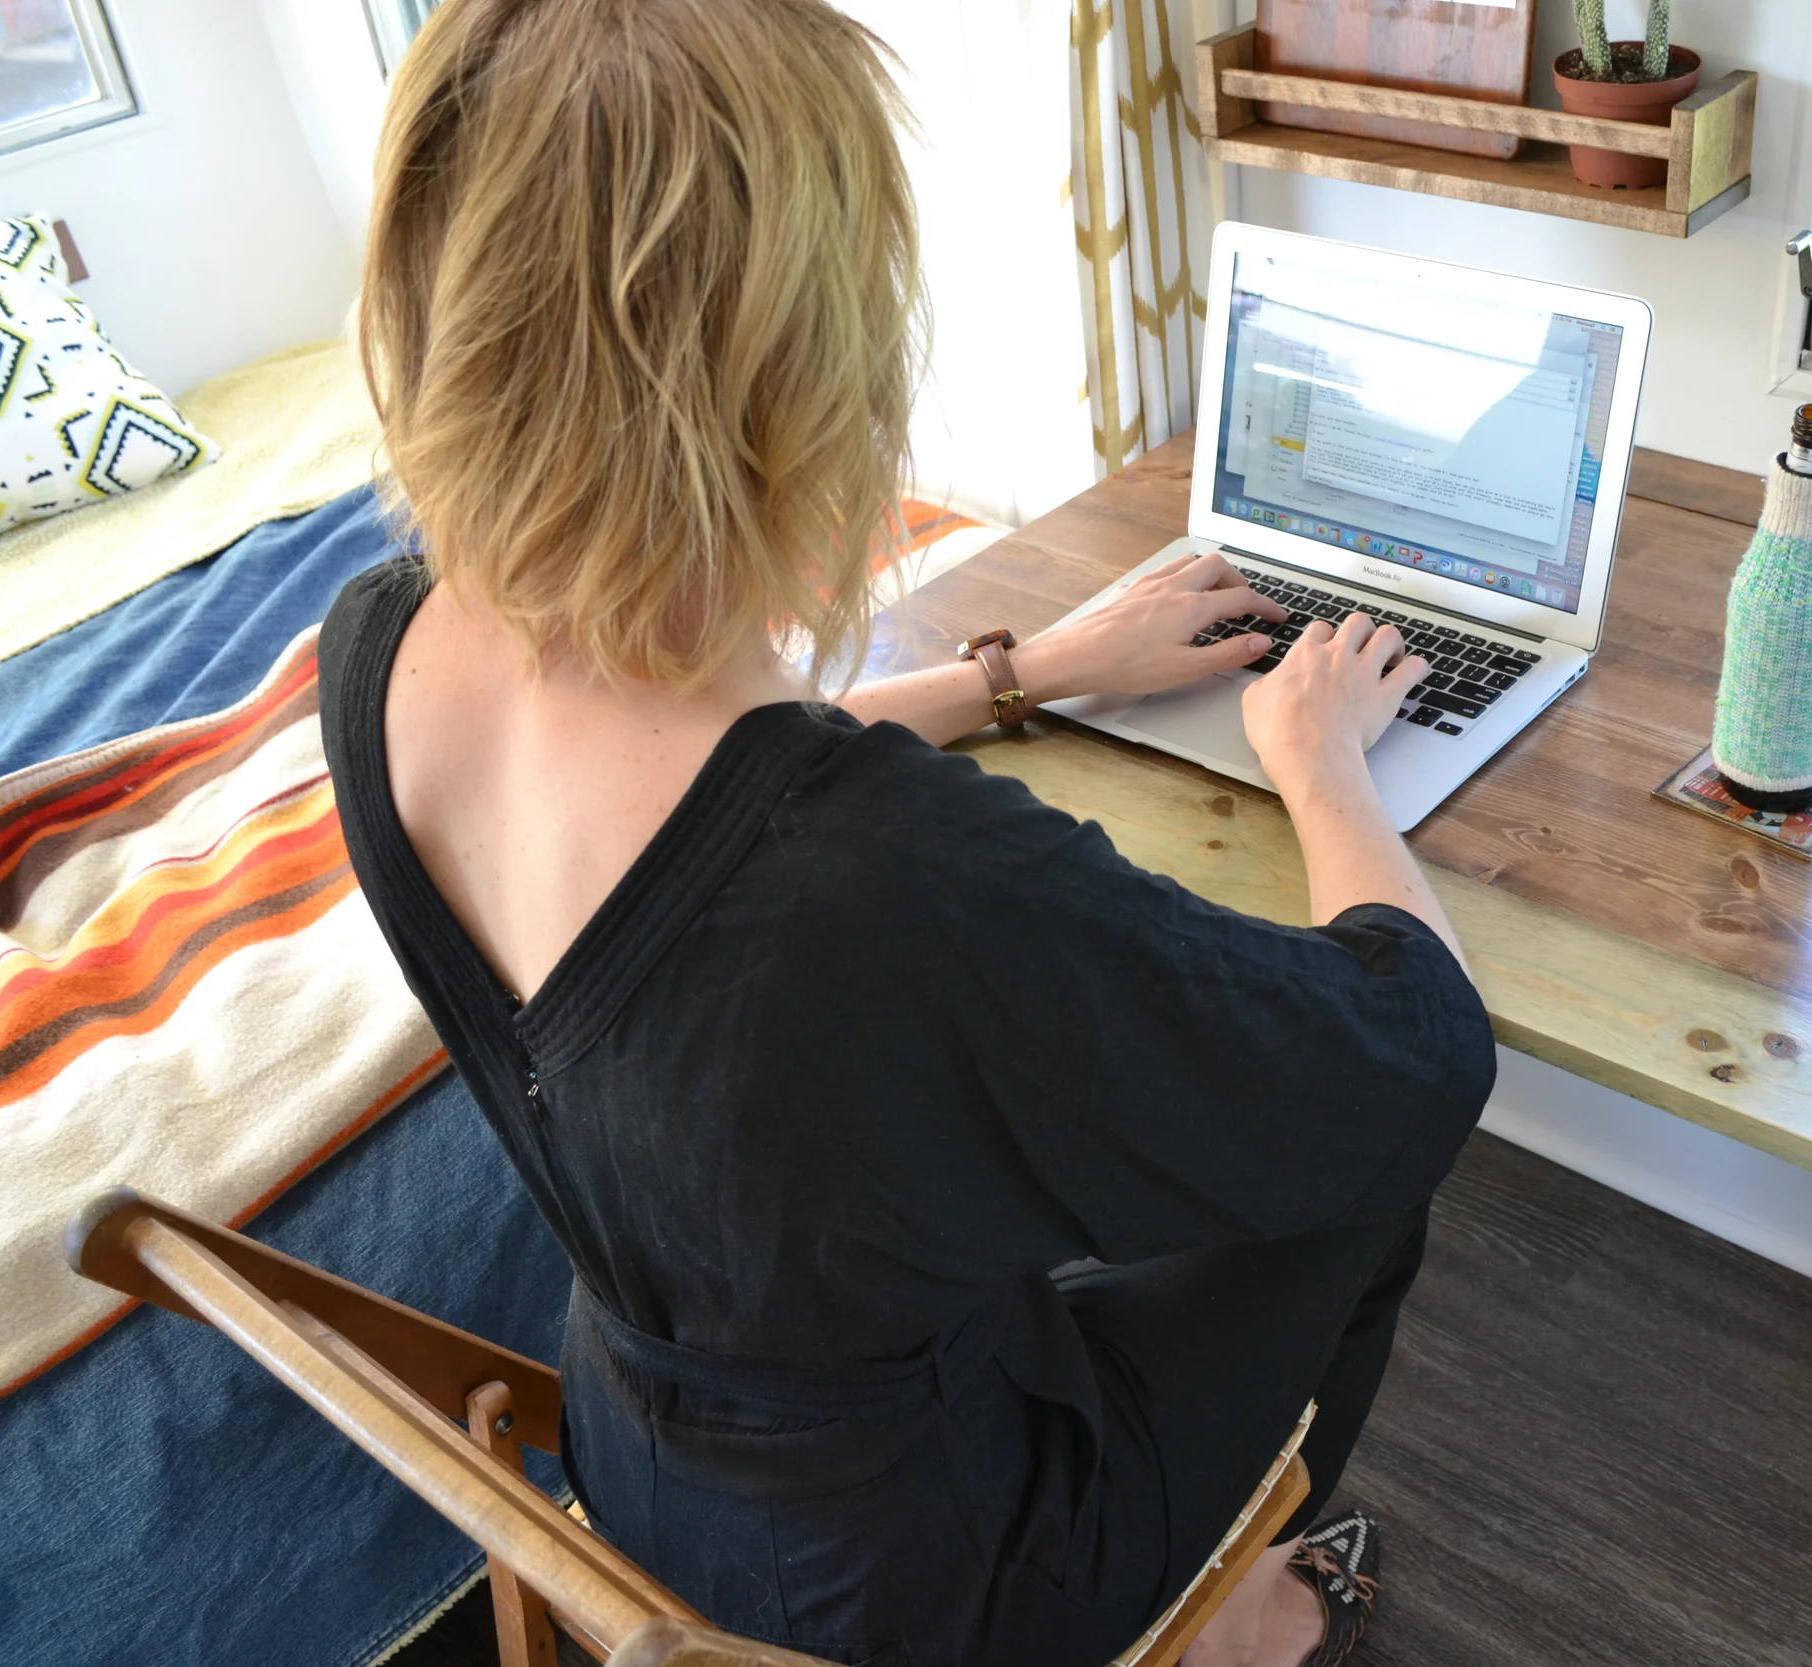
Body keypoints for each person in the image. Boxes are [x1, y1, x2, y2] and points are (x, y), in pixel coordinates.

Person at [316, 3, 1495, 1664]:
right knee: (1357, 1170)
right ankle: (1235, 1615)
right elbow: (1420, 1055)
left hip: (647, 1454)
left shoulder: (379, 647)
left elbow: (691, 799)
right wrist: (1321, 761)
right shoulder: (897, 879)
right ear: (803, 364)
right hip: (925, 1593)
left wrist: (1029, 669)